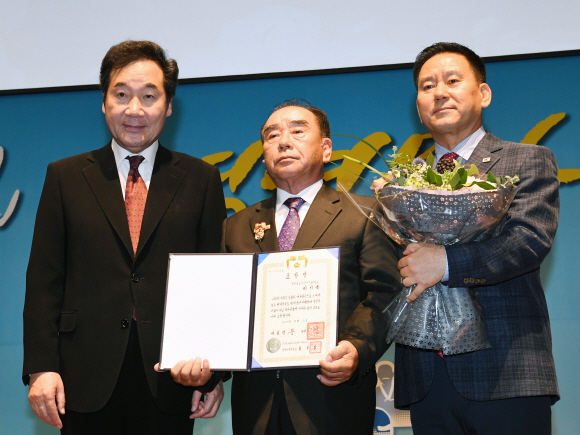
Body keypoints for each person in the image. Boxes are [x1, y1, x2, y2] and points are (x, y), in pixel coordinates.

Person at [23, 40, 226, 434]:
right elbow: (44, 280)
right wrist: (41, 367)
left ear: (168, 106)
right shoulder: (65, 177)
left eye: (149, 96)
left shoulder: (200, 179)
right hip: (82, 377)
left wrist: (213, 373)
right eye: (121, 95)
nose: (134, 110)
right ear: (104, 102)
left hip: (171, 377)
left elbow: (214, 281)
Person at [172, 99, 400, 434]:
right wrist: (207, 372)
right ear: (264, 155)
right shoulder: (236, 227)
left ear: (326, 149)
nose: (283, 141)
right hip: (257, 406)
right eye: (271, 135)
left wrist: (355, 348)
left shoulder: (363, 214)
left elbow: (384, 295)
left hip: (332, 400)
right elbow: (224, 312)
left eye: (297, 130)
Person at [396, 42, 560, 434]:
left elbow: (527, 241)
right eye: (427, 85)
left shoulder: (526, 159)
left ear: (482, 93)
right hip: (427, 379)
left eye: (453, 80)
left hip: (506, 373)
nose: (439, 92)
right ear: (418, 104)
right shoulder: (401, 183)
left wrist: (446, 264)